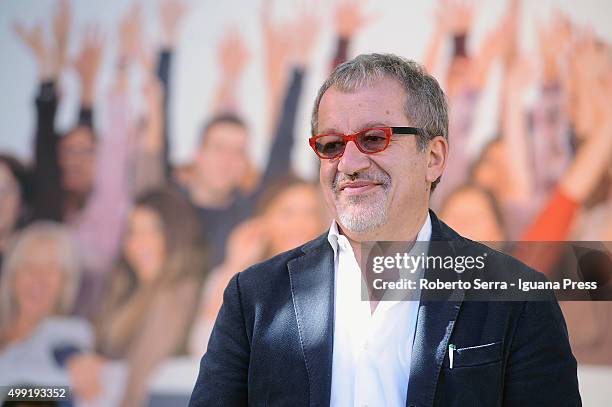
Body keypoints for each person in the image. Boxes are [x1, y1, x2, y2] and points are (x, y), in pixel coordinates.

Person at [189, 53, 580, 406]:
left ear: (434, 157)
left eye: (374, 138)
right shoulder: (254, 299)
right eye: (330, 144)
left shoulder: (520, 301)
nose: (349, 162)